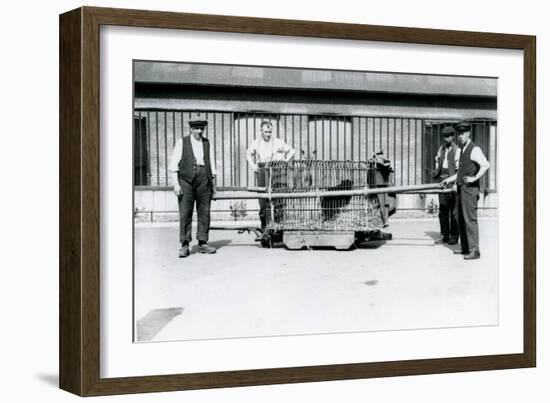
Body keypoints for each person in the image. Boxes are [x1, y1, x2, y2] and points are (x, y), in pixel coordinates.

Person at [168, 113, 218, 258]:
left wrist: (213, 187)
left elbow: (212, 166)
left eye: (201, 128)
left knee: (204, 212)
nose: (199, 131)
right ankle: (184, 244)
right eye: (196, 128)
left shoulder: (207, 143)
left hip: (204, 180)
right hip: (186, 180)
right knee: (185, 212)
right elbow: (173, 165)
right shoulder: (181, 142)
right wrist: (175, 184)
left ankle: (203, 242)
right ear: (190, 129)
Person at [440, 121, 490, 260]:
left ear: (468, 133)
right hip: (461, 189)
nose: (460, 136)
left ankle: (474, 251)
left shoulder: (474, 149)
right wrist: (448, 180)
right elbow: (460, 173)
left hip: (470, 190)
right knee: (460, 218)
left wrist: (474, 178)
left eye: (463, 133)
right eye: (459, 134)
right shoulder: (462, 150)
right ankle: (466, 248)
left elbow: (486, 165)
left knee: (470, 220)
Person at [246, 121, 295, 232]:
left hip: (276, 171)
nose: (268, 134)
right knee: (263, 201)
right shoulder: (256, 143)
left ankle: (278, 228)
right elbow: (248, 154)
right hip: (262, 170)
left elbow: (292, 151)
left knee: (278, 200)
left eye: (270, 132)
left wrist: (285, 162)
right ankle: (265, 229)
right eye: (266, 132)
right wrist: (253, 166)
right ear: (261, 131)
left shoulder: (278, 142)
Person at [433, 126, 460, 245]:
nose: (446, 138)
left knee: (454, 211)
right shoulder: (441, 148)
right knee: (443, 209)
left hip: (452, 181)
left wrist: (454, 182)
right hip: (442, 180)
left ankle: (454, 236)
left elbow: (459, 169)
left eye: (448, 136)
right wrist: (437, 170)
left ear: (453, 136)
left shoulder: (457, 150)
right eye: (444, 136)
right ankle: (445, 235)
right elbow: (438, 160)